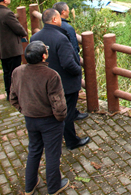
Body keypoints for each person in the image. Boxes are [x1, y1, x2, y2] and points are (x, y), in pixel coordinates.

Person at [10, 41, 69, 195]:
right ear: (44, 56)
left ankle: (29, 186)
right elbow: (58, 103)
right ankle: (53, 187)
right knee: (52, 153)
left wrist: (24, 110)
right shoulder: (51, 75)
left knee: (34, 150)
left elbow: (13, 97)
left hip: (30, 119)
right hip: (50, 121)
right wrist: (60, 118)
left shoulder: (17, 71)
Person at [30, 9, 90, 150]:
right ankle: (71, 141)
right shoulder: (60, 38)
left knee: (53, 110)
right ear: (55, 20)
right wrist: (78, 71)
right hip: (65, 83)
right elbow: (68, 63)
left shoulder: (35, 38)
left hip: (44, 81)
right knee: (67, 112)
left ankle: (54, 137)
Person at [52, 2, 88, 121]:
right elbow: (74, 48)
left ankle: (71, 112)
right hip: (68, 65)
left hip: (55, 65)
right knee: (70, 94)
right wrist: (77, 67)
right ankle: (71, 114)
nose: (68, 11)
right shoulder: (67, 28)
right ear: (63, 12)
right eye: (67, 10)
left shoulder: (50, 26)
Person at [0, 0, 28, 98]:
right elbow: (18, 28)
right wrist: (24, 34)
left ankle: (9, 93)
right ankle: (16, 94)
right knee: (15, 72)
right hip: (11, 48)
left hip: (2, 49)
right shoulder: (7, 13)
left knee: (7, 72)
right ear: (4, 0)